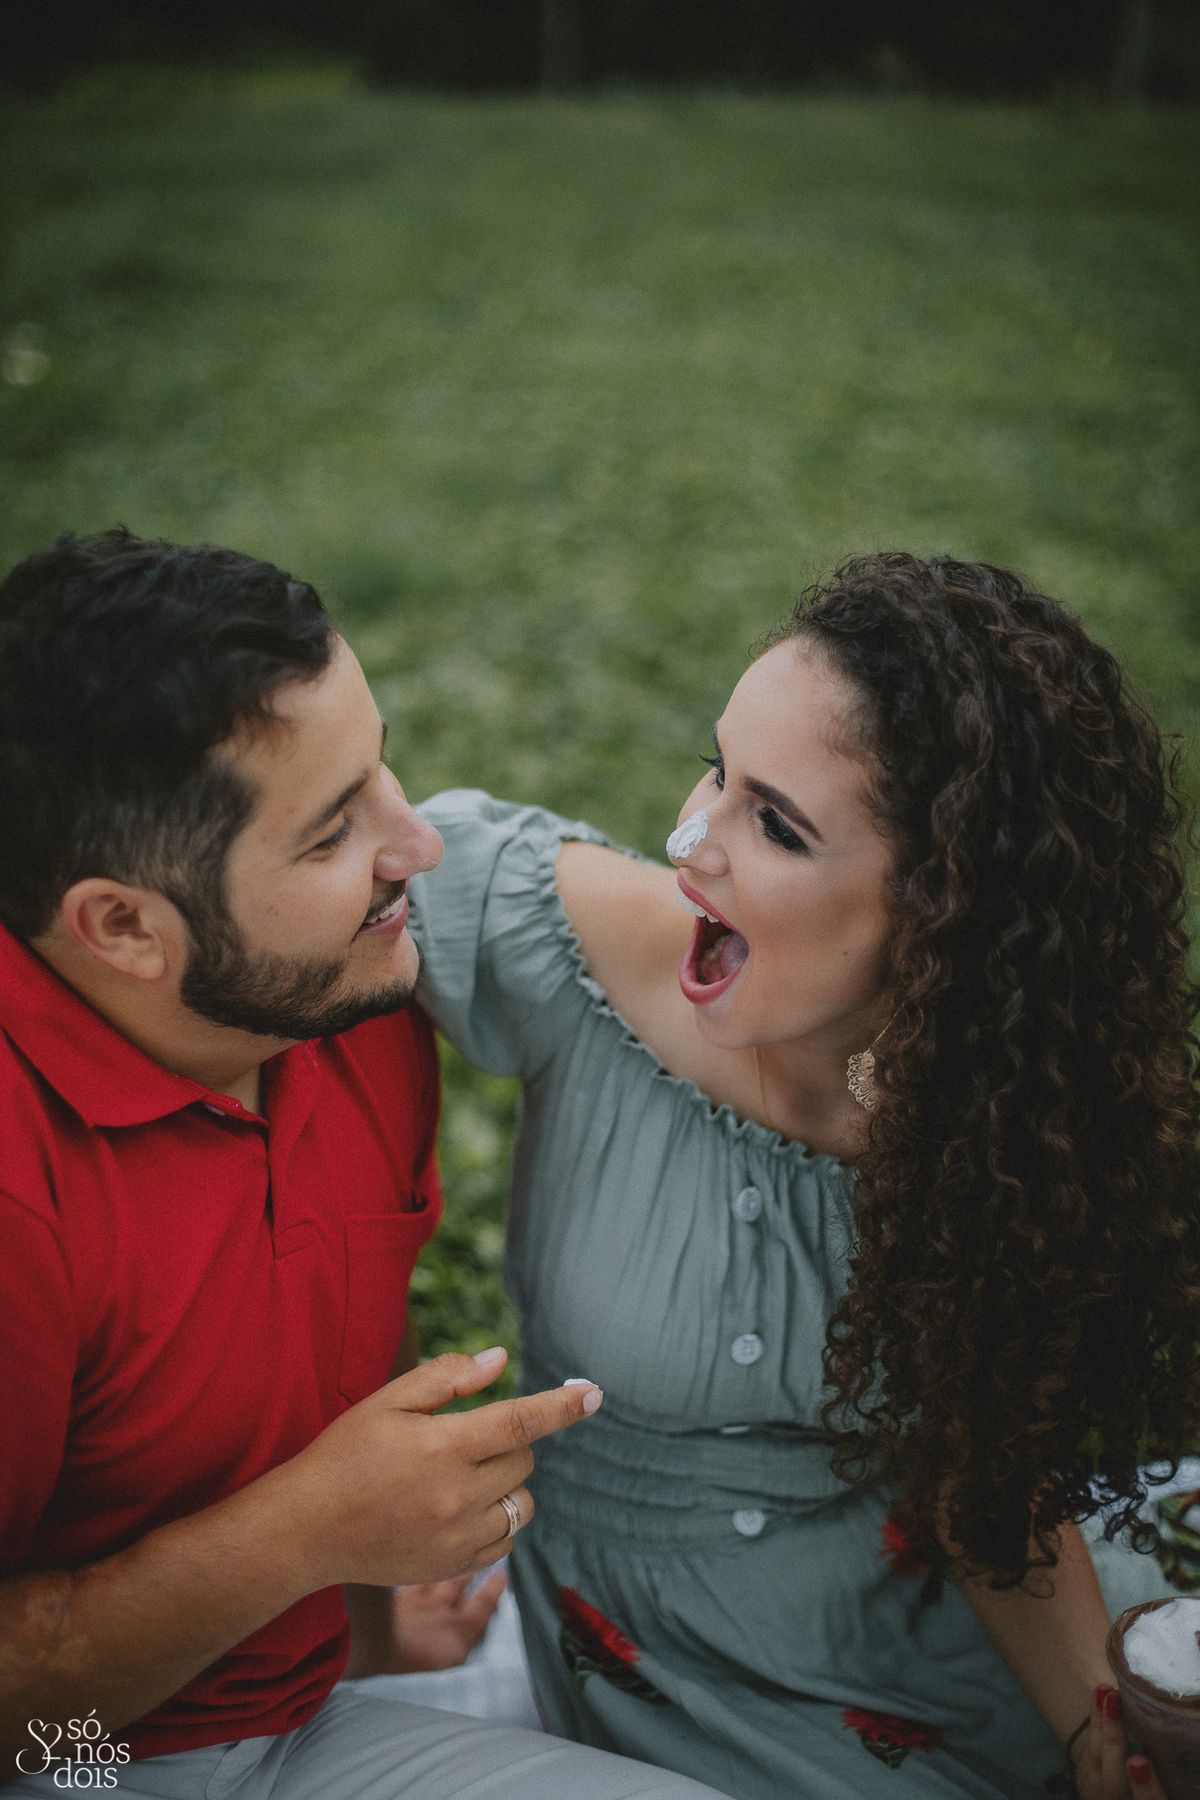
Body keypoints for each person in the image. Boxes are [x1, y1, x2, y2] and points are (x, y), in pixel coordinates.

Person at [405, 553, 1200, 1800]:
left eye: (775, 825)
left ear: (942, 917)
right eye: (716, 769)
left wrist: (1088, 1728)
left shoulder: (993, 1132)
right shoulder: (564, 938)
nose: (690, 837)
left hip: (920, 1632)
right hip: (661, 1666)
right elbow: (257, 912)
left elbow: (985, 1475)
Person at [0, 528, 727, 1800]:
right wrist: (304, 1538)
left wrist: (357, 1610)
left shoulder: (346, 998)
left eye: (381, 768)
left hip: (304, 1705)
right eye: (333, 832)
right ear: (123, 926)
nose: (418, 848)